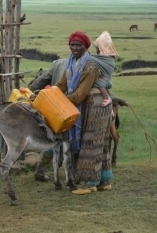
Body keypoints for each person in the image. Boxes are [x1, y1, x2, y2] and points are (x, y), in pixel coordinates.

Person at [55, 31, 114, 195]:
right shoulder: (71, 62)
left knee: (91, 142)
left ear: (86, 46)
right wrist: (49, 94)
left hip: (96, 104)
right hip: (88, 104)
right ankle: (104, 181)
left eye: (78, 45)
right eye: (72, 44)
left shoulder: (90, 65)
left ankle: (91, 183)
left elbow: (80, 94)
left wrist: (58, 102)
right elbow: (62, 84)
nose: (74, 48)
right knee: (99, 142)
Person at [29, 58, 67, 182]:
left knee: (56, 139)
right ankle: (71, 171)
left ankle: (41, 170)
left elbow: (42, 80)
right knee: (67, 140)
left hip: (54, 108)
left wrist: (30, 89)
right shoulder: (86, 63)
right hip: (70, 107)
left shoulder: (58, 63)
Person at [89, 30, 119, 107]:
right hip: (107, 81)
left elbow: (90, 59)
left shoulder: (107, 58)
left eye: (97, 48)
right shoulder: (109, 56)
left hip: (103, 82)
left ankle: (107, 97)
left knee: (94, 81)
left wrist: (87, 55)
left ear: (101, 47)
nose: (96, 50)